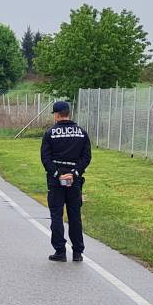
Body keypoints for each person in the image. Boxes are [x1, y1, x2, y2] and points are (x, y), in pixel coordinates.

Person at [40, 101, 91, 262]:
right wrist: (74, 173)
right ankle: (77, 252)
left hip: (56, 180)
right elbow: (86, 157)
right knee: (74, 216)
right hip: (74, 180)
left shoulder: (50, 133)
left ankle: (60, 251)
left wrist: (57, 174)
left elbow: (45, 158)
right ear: (69, 113)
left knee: (56, 215)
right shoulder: (82, 133)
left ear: (56, 115)